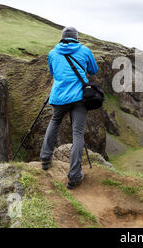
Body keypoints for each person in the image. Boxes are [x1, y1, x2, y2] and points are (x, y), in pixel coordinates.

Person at [40, 26, 99, 189]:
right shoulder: (85, 50)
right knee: (78, 133)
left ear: (62, 37)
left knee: (55, 122)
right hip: (80, 97)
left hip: (59, 97)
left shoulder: (52, 53)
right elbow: (94, 70)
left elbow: (53, 73)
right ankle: (74, 176)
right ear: (76, 38)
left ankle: (45, 159)